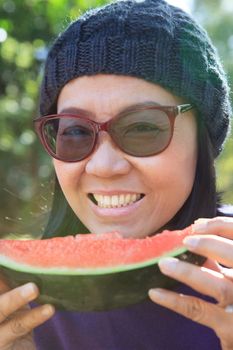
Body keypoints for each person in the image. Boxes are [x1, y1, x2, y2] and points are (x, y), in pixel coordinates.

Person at [0, 0, 233, 349]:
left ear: (202, 141)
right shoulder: (15, 303)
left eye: (142, 127)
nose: (103, 167)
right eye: (75, 132)